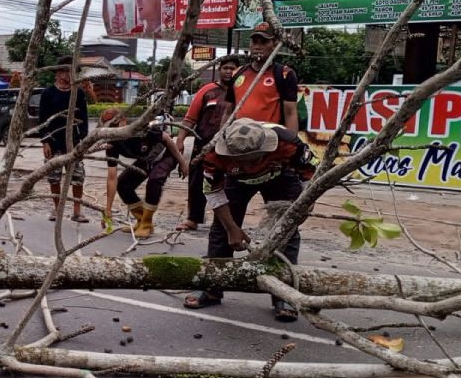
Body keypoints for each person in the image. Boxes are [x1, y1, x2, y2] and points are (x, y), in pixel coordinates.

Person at [185, 118, 316, 322]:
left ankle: (283, 294)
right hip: (235, 182)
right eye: (240, 161)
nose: (248, 166)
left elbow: (310, 177)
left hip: (280, 177)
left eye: (253, 159)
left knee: (286, 230)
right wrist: (232, 228)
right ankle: (212, 288)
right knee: (221, 230)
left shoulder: (289, 144)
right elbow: (212, 191)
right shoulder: (213, 153)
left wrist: (306, 204)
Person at [100, 108, 189, 237]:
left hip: (165, 154)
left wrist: (182, 162)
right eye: (109, 127)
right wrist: (108, 208)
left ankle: (147, 224)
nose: (113, 129)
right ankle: (141, 220)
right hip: (146, 160)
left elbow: (166, 139)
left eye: (115, 125)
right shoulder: (112, 143)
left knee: (154, 180)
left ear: (123, 121)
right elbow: (112, 177)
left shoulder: (139, 129)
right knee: (123, 184)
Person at [176, 55, 241, 230]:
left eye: (233, 68)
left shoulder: (242, 92)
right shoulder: (207, 91)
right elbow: (189, 119)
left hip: (230, 149)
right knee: (196, 184)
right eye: (225, 68)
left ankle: (224, 223)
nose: (229, 71)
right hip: (202, 146)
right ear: (219, 70)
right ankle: (193, 219)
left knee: (229, 186)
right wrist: (180, 141)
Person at [38, 55, 90, 223]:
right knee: (54, 177)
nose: (69, 75)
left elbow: (84, 117)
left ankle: (77, 211)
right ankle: (57, 209)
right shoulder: (48, 93)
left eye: (73, 72)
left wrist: (83, 139)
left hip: (74, 142)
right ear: (59, 73)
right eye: (67, 71)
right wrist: (45, 141)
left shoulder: (78, 93)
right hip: (54, 142)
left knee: (77, 176)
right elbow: (42, 119)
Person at [226, 23, 299, 132]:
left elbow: (290, 113)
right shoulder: (238, 73)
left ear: (274, 44)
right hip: (239, 139)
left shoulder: (285, 74)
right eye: (255, 42)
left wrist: (292, 145)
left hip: (270, 140)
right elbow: (228, 112)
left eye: (264, 42)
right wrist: (220, 139)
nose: (258, 46)